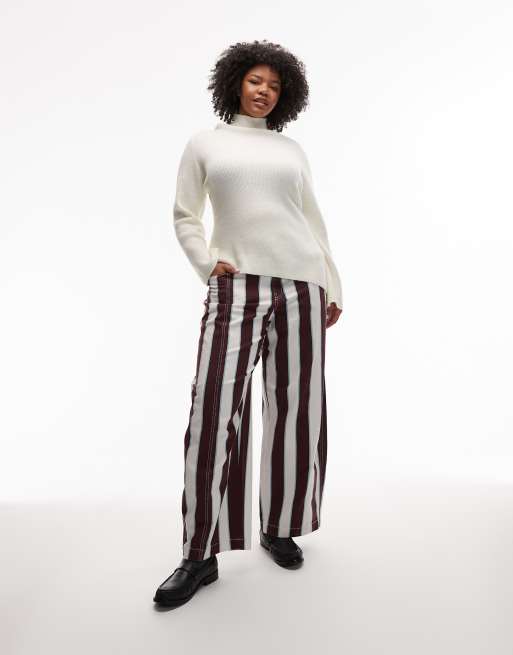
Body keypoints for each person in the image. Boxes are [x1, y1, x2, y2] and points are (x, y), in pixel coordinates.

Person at [154, 39, 343, 608]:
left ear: (286, 95)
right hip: (236, 284)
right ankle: (199, 553)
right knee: (213, 409)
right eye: (256, 81)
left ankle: (279, 526)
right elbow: (185, 214)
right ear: (235, 82)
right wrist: (206, 263)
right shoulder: (205, 143)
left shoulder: (291, 151)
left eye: (275, 86)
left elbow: (312, 221)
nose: (264, 91)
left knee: (296, 411)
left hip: (301, 285)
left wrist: (332, 284)